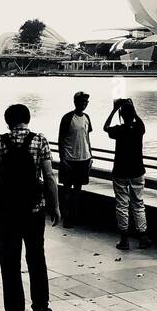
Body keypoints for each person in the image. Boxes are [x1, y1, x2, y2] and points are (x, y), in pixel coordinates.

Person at [0, 104, 59, 311]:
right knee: (36, 258)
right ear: (28, 119)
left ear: (8, 122)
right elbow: (48, 176)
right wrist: (54, 206)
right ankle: (40, 310)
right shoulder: (40, 141)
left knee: (10, 263)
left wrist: (0, 186)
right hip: (34, 210)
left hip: (7, 213)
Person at [105, 97, 151, 251]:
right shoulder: (139, 128)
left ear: (121, 116)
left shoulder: (119, 130)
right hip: (137, 171)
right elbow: (139, 121)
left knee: (122, 205)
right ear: (133, 114)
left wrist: (114, 110)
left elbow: (105, 127)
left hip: (120, 171)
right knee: (138, 203)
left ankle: (124, 239)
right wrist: (132, 108)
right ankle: (143, 236)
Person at [58, 92, 93, 227]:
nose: (83, 105)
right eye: (81, 102)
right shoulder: (67, 118)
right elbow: (61, 139)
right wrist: (63, 159)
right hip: (69, 158)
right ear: (75, 102)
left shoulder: (87, 118)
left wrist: (90, 154)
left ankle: (74, 216)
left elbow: (87, 138)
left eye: (85, 102)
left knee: (78, 190)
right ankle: (66, 217)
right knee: (67, 190)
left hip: (83, 159)